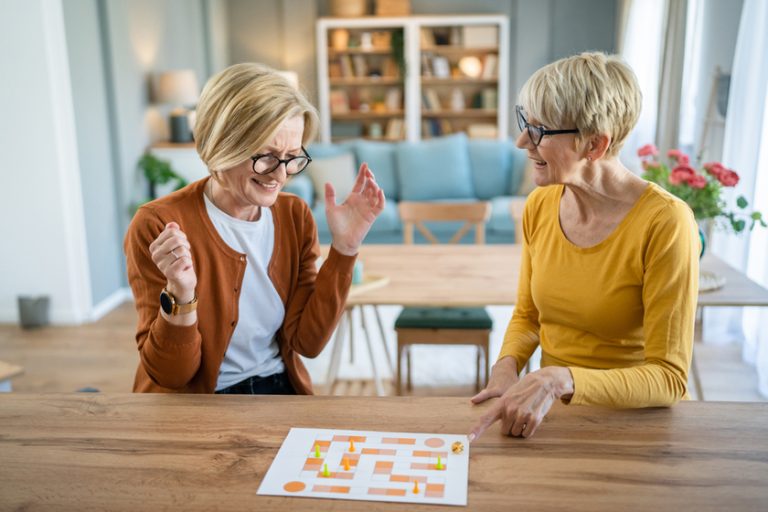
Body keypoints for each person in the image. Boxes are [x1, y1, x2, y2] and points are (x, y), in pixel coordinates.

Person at [469, 52, 699, 440]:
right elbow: (528, 315)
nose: (522, 140)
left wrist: (562, 380)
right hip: (550, 418)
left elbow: (668, 378)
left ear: (594, 144)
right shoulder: (540, 205)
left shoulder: (666, 223)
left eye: (539, 130)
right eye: (525, 122)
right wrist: (506, 366)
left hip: (638, 426)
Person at [124, 63, 385, 394]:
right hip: (197, 403)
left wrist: (345, 249)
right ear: (222, 145)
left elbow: (306, 342)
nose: (281, 175)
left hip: (277, 386)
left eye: (292, 156)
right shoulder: (158, 226)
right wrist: (181, 292)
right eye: (266, 156)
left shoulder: (295, 216)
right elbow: (172, 375)